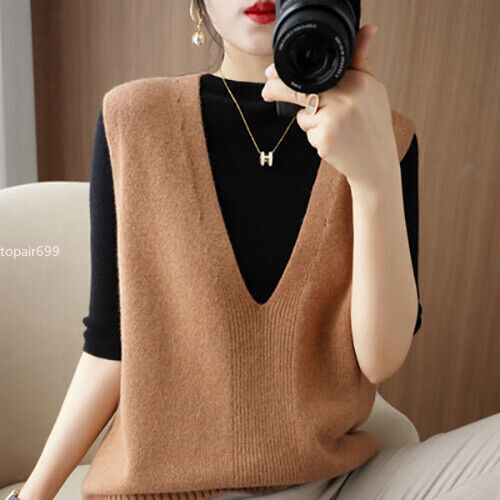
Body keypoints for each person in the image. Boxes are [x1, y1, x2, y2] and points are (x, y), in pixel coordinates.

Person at [12, 1, 499, 499]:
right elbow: (107, 350)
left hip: (337, 484)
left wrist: (373, 177)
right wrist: (31, 496)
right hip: (177, 491)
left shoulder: (384, 134)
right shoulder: (136, 121)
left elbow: (379, 360)